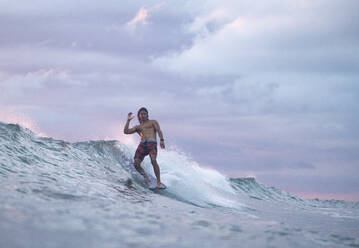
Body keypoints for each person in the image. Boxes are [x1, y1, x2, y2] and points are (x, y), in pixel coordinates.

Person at [124, 107, 165, 188]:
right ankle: (146, 177)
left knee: (153, 160)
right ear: (139, 116)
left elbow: (159, 130)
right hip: (142, 144)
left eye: (144, 114)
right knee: (136, 163)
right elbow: (126, 131)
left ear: (147, 115)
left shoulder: (153, 122)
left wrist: (161, 140)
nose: (143, 115)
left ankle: (159, 182)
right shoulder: (138, 127)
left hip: (152, 143)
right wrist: (128, 120)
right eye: (141, 114)